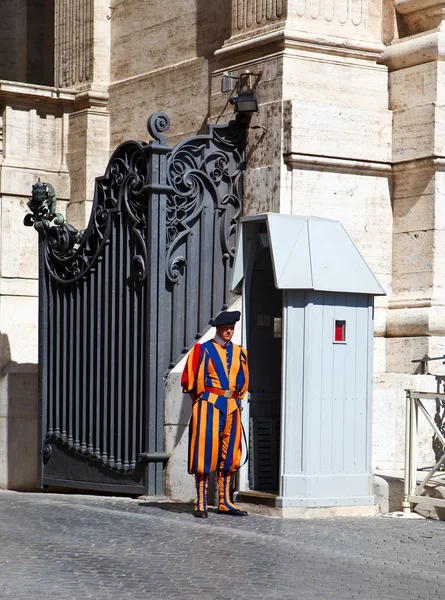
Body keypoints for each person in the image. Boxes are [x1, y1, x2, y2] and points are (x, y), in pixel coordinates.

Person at [181, 310, 249, 518]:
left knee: (229, 455)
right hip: (209, 405)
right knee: (205, 453)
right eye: (226, 328)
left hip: (232, 406)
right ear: (218, 328)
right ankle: (200, 503)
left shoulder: (240, 352)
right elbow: (190, 382)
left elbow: (243, 381)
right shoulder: (203, 350)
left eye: (232, 328)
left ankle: (224, 502)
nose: (229, 331)